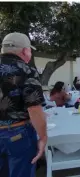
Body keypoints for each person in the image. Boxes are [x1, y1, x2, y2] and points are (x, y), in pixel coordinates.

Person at [0, 32, 47, 176]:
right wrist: (43, 137)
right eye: (30, 50)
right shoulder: (27, 70)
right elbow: (34, 109)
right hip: (17, 134)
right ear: (25, 51)